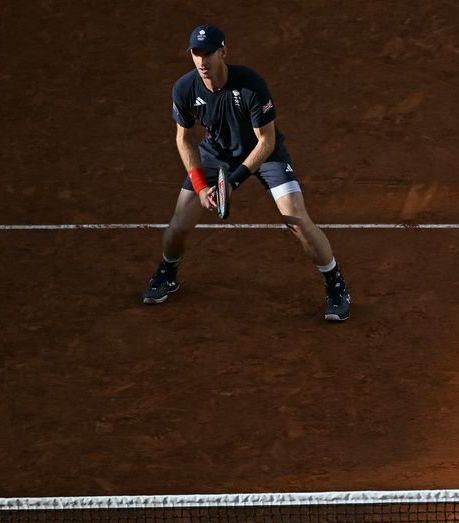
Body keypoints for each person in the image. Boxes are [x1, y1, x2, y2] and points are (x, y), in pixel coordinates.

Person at [142, 24, 351, 321]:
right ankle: (168, 272)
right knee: (178, 224)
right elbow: (184, 137)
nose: (202, 61)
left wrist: (235, 180)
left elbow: (266, 140)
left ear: (223, 52)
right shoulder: (185, 88)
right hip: (215, 155)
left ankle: (335, 284)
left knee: (297, 220)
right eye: (196, 54)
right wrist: (202, 185)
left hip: (265, 155)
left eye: (208, 53)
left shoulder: (250, 84)